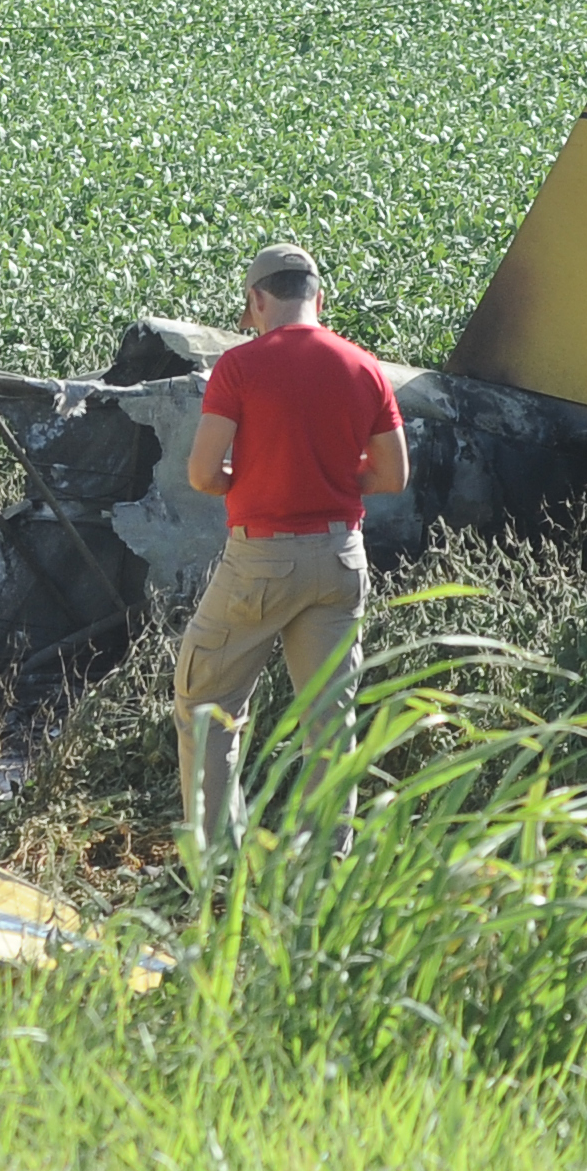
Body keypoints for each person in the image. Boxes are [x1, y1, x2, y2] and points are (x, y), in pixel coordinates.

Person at [175, 241, 408, 849]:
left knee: (206, 702)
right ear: (317, 298)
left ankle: (215, 862)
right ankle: (324, 869)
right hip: (340, 559)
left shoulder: (241, 367)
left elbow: (202, 474)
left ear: (256, 300)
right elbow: (392, 477)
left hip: (261, 560)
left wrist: (246, 479)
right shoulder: (364, 367)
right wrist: (330, 478)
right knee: (332, 723)